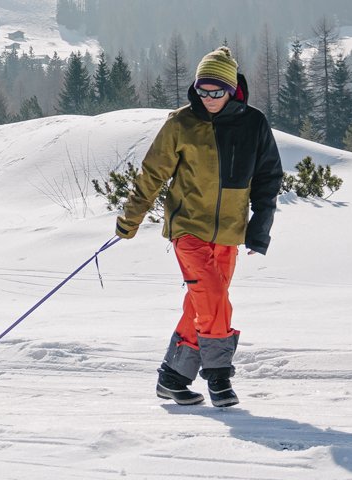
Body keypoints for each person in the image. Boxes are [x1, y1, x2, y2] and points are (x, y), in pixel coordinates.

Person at [115, 47, 283, 408]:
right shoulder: (181, 123)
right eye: (202, 90)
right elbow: (153, 174)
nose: (208, 99)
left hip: (229, 233)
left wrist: (259, 229)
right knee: (213, 299)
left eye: (216, 92)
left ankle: (173, 377)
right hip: (188, 228)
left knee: (201, 302)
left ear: (232, 89)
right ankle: (219, 377)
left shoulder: (253, 123)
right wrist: (130, 219)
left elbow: (269, 179)